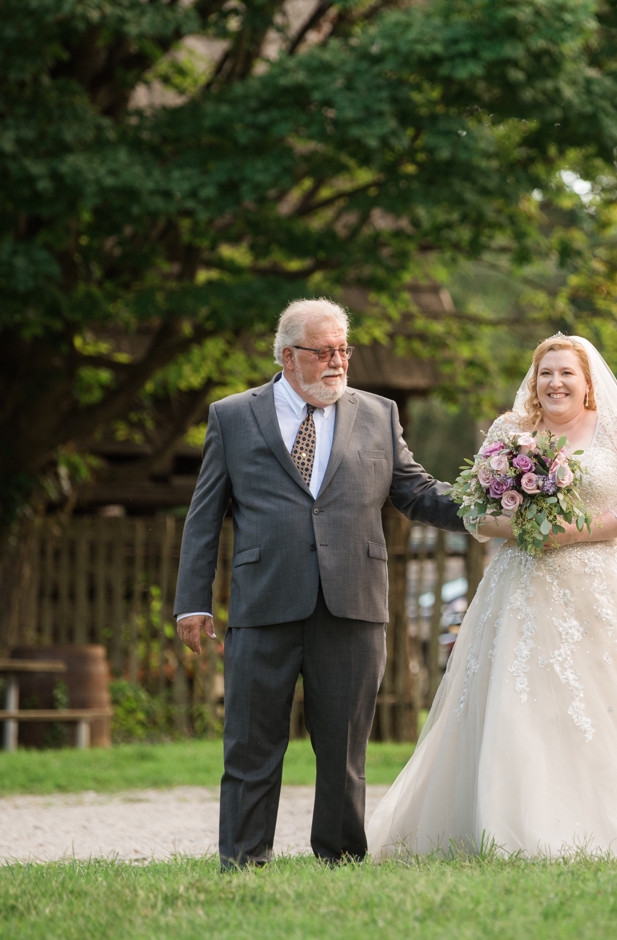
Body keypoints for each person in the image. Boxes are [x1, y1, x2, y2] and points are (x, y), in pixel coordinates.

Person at [366, 335, 617, 858]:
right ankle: (513, 826)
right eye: (545, 373)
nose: (555, 382)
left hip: (601, 588)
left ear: (588, 383)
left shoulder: (615, 429)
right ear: (534, 381)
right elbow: (475, 512)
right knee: (520, 703)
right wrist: (522, 526)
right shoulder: (509, 431)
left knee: (606, 705)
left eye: (566, 373)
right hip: (522, 587)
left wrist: (573, 531)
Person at [173, 297, 467, 868]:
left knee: (344, 752)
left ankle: (339, 859)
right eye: (324, 352)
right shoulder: (233, 416)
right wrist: (192, 603)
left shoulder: (378, 413)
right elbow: (204, 517)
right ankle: (243, 860)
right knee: (251, 746)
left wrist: (489, 505)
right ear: (288, 356)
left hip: (353, 602)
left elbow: (416, 491)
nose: (338, 362)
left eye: (343, 350)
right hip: (264, 603)